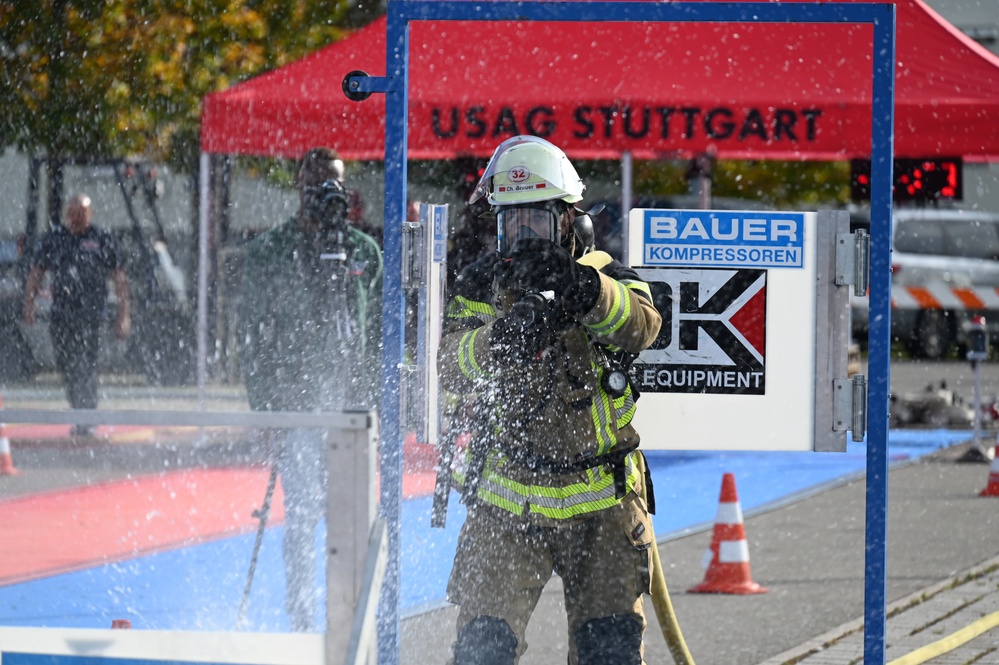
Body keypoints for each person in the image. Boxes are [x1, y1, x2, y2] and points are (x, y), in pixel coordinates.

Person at [437, 136, 663, 665]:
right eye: (510, 223)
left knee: (609, 652)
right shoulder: (481, 289)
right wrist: (500, 340)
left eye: (535, 221)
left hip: (603, 502)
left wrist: (581, 290)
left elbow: (643, 326)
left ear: (570, 222)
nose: (521, 237)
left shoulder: (607, 277)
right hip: (506, 501)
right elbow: (446, 366)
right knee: (482, 650)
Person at [238, 147, 383, 632]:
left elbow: (378, 330)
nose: (325, 192)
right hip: (296, 404)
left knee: (352, 515)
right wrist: (265, 413)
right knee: (301, 515)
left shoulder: (363, 251)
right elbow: (251, 338)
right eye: (316, 182)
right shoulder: (269, 251)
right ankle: (302, 618)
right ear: (299, 185)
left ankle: (348, 621)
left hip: (352, 403)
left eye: (334, 183)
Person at [23, 193, 131, 436]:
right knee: (66, 363)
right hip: (62, 314)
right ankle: (78, 409)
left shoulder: (101, 239)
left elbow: (120, 279)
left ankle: (88, 416)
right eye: (72, 213)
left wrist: (123, 315)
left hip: (91, 316)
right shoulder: (54, 239)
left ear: (90, 214)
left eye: (81, 213)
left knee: (87, 364)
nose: (76, 218)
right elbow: (36, 274)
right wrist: (29, 305)